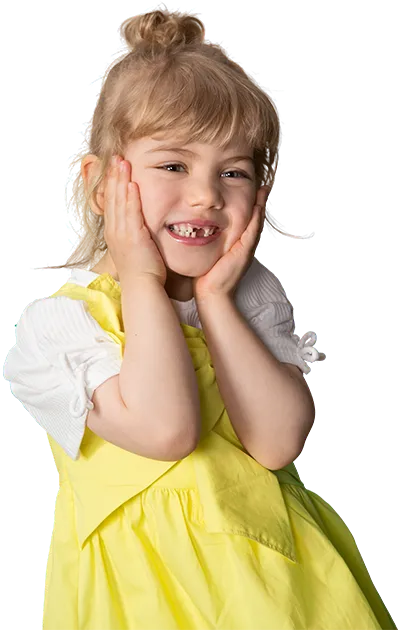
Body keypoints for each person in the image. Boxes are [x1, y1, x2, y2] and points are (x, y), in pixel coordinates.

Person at [2, 6, 396, 630]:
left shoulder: (247, 300)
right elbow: (166, 432)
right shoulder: (63, 326)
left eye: (234, 172)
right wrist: (140, 280)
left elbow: (275, 443)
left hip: (281, 590)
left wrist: (214, 302)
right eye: (174, 165)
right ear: (104, 185)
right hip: (140, 597)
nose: (208, 194)